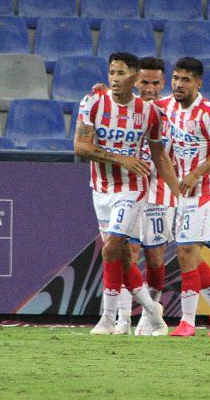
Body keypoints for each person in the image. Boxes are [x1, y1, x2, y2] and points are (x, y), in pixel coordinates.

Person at [74, 52, 175, 336]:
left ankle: (109, 318)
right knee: (123, 256)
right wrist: (122, 159)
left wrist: (178, 188)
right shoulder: (94, 101)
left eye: (121, 74)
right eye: (112, 73)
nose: (115, 79)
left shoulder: (155, 111)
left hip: (138, 188)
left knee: (124, 251)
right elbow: (80, 146)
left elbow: (160, 154)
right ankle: (145, 313)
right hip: (102, 188)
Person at [159, 57, 210, 337]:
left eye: (186, 80)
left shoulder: (207, 112)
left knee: (185, 252)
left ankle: (187, 322)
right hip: (183, 195)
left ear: (198, 83)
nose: (179, 84)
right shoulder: (167, 105)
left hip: (205, 193)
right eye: (176, 78)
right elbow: (141, 104)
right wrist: (105, 93)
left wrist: (196, 174)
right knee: (191, 257)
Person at [128, 57, 173, 336]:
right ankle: (122, 318)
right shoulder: (124, 107)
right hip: (130, 190)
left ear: (163, 83)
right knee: (127, 256)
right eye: (145, 82)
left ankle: (150, 312)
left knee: (155, 259)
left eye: (155, 83)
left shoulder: (172, 108)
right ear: (136, 81)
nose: (150, 88)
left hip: (158, 194)